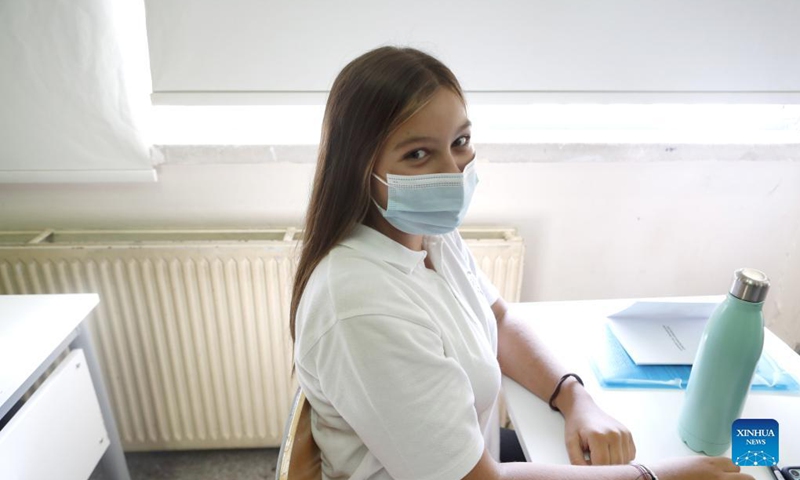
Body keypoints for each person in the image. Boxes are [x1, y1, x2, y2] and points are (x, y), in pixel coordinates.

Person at [290, 46, 753, 480]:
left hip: (474, 454)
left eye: (460, 141)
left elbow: (499, 319)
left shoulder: (428, 234)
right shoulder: (359, 306)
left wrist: (574, 399)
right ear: (358, 164)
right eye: (418, 154)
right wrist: (654, 476)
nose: (453, 172)